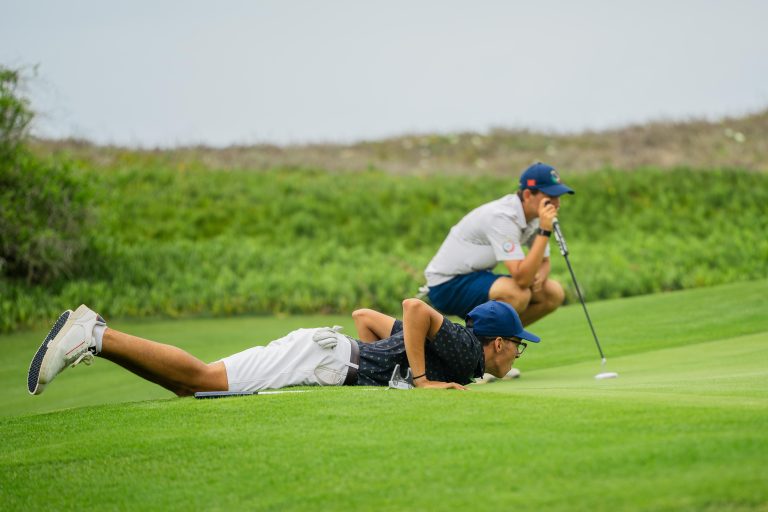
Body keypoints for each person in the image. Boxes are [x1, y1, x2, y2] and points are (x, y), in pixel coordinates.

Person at [27, 299, 539, 397]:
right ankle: (94, 334)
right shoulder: (468, 353)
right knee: (203, 378)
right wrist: (421, 381)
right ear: (497, 343)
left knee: (193, 390)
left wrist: (389, 368)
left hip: (331, 355)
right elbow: (413, 308)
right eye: (518, 346)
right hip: (321, 358)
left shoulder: (464, 358)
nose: (517, 355)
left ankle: (96, 340)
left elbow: (365, 317)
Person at [424, 162, 575, 327]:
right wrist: (545, 232)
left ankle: (491, 339)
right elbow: (522, 279)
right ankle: (479, 342)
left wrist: (541, 275)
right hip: (446, 284)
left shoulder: (536, 216)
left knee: (553, 294)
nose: (557, 203)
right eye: (550, 197)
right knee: (517, 294)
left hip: (477, 276)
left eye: (558, 196)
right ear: (527, 195)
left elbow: (543, 262)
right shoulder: (502, 217)